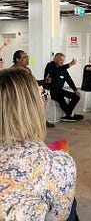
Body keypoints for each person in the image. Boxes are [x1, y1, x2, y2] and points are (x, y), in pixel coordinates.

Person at [0, 68, 77, 220]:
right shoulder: (58, 165)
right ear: (33, 106)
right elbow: (58, 217)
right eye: (42, 95)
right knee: (71, 203)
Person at [44, 53, 83, 122]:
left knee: (76, 96)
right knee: (61, 99)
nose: (62, 62)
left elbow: (69, 79)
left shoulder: (63, 69)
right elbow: (56, 71)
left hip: (59, 90)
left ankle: (68, 114)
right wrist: (69, 64)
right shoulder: (50, 65)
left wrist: (75, 90)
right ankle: (70, 115)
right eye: (60, 60)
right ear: (55, 59)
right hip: (50, 90)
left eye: (63, 60)